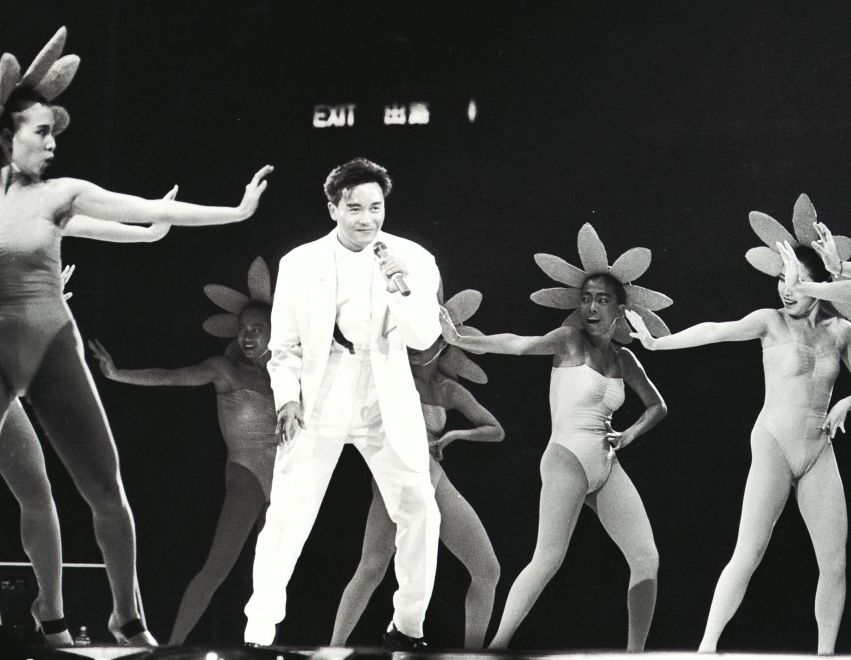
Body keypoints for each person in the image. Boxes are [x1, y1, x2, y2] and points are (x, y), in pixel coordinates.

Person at [0, 27, 272, 645]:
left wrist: (235, 212)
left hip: (53, 348)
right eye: (42, 131)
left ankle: (124, 613)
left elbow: (147, 209)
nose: (53, 143)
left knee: (102, 484)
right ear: (8, 138)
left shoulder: (63, 193)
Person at [629, 203, 851, 656]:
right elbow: (716, 330)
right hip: (774, 442)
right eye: (779, 281)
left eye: (792, 281)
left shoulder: (842, 330)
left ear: (816, 285)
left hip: (817, 449)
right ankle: (707, 647)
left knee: (833, 563)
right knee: (748, 553)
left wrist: (849, 400)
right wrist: (658, 342)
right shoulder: (769, 321)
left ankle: (828, 654)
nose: (785, 291)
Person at [441, 223, 670, 651]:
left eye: (602, 299)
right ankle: (495, 647)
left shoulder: (625, 358)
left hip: (605, 462)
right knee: (548, 558)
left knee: (646, 558)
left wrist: (630, 435)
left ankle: (636, 654)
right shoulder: (567, 340)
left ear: (620, 307)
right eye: (585, 299)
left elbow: (658, 406)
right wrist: (462, 340)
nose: (591, 307)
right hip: (566, 457)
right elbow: (517, 345)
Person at [242, 157, 441, 649]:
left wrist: (405, 287)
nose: (367, 219)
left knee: (420, 510)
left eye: (376, 208)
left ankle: (408, 625)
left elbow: (424, 337)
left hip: (383, 391)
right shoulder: (299, 262)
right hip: (322, 391)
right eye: (354, 208)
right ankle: (259, 631)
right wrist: (287, 399)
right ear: (333, 208)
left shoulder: (412, 257)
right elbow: (284, 345)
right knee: (287, 517)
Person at [88, 257, 278, 646]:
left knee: (273, 573)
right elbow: (171, 377)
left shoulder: (291, 377)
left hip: (286, 483)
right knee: (216, 568)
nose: (247, 337)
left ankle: (264, 645)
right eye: (243, 329)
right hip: (246, 474)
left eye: (257, 330)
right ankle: (171, 648)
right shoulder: (226, 370)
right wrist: (118, 373)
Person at [331, 287, 503, 648]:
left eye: (425, 337)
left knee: (486, 570)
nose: (414, 344)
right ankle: (330, 650)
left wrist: (455, 435)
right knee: (371, 566)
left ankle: (473, 655)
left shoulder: (447, 390)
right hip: (394, 474)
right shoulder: (389, 377)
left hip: (429, 475)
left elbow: (495, 430)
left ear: (441, 344)